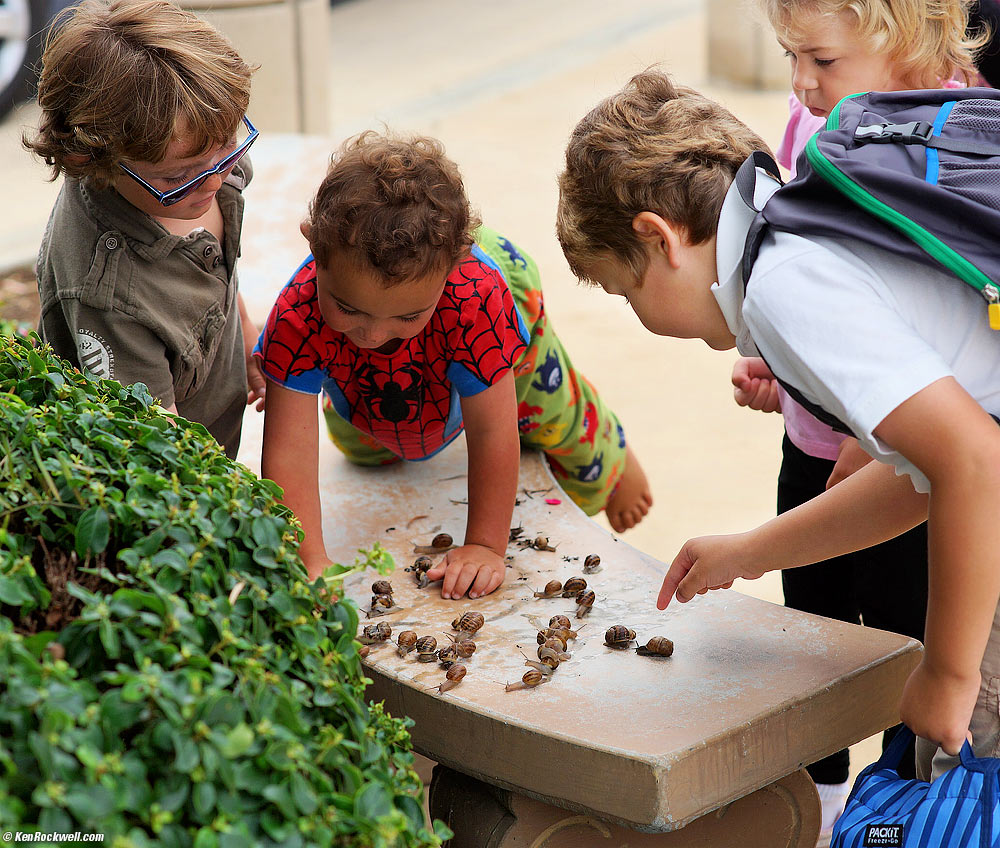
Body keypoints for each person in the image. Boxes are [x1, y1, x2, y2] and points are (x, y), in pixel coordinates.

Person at [556, 69, 1000, 787]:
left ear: (660, 240)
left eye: (623, 289)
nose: (635, 312)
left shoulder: (781, 290)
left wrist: (948, 672)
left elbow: (976, 464)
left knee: (963, 788)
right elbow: (926, 475)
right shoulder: (804, 219)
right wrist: (750, 552)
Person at [727, 0, 983, 826]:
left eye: (822, 61)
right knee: (816, 625)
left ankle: (903, 796)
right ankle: (828, 796)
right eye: (790, 56)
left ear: (904, 37)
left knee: (917, 643)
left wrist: (868, 448)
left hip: (915, 466)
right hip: (830, 446)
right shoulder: (816, 122)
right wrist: (783, 365)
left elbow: (954, 409)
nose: (801, 83)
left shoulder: (962, 132)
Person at [255, 131, 652, 597]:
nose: (373, 336)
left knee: (548, 414)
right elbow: (289, 454)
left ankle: (614, 459)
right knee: (369, 446)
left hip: (500, 325)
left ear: (454, 268)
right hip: (433, 326)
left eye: (405, 316)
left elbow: (491, 432)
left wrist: (485, 545)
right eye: (349, 308)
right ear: (313, 250)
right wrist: (309, 560)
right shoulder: (297, 312)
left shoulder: (476, 298)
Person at [24, 0, 265, 459]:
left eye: (230, 147)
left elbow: (216, 269)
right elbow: (158, 447)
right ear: (87, 160)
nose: (217, 180)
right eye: (180, 176)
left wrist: (247, 334)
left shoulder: (203, 160)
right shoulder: (110, 297)